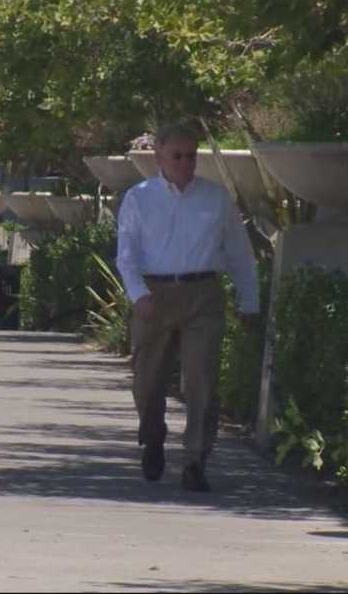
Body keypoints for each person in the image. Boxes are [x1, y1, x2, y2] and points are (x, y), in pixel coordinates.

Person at [116, 120, 259, 493]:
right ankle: (152, 437)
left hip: (203, 295)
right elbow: (126, 255)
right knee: (148, 382)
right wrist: (138, 295)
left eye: (191, 156)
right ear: (159, 154)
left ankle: (196, 458)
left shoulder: (215, 198)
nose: (185, 162)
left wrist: (249, 300)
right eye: (177, 155)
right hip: (155, 296)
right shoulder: (139, 197)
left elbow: (239, 253)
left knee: (202, 381)